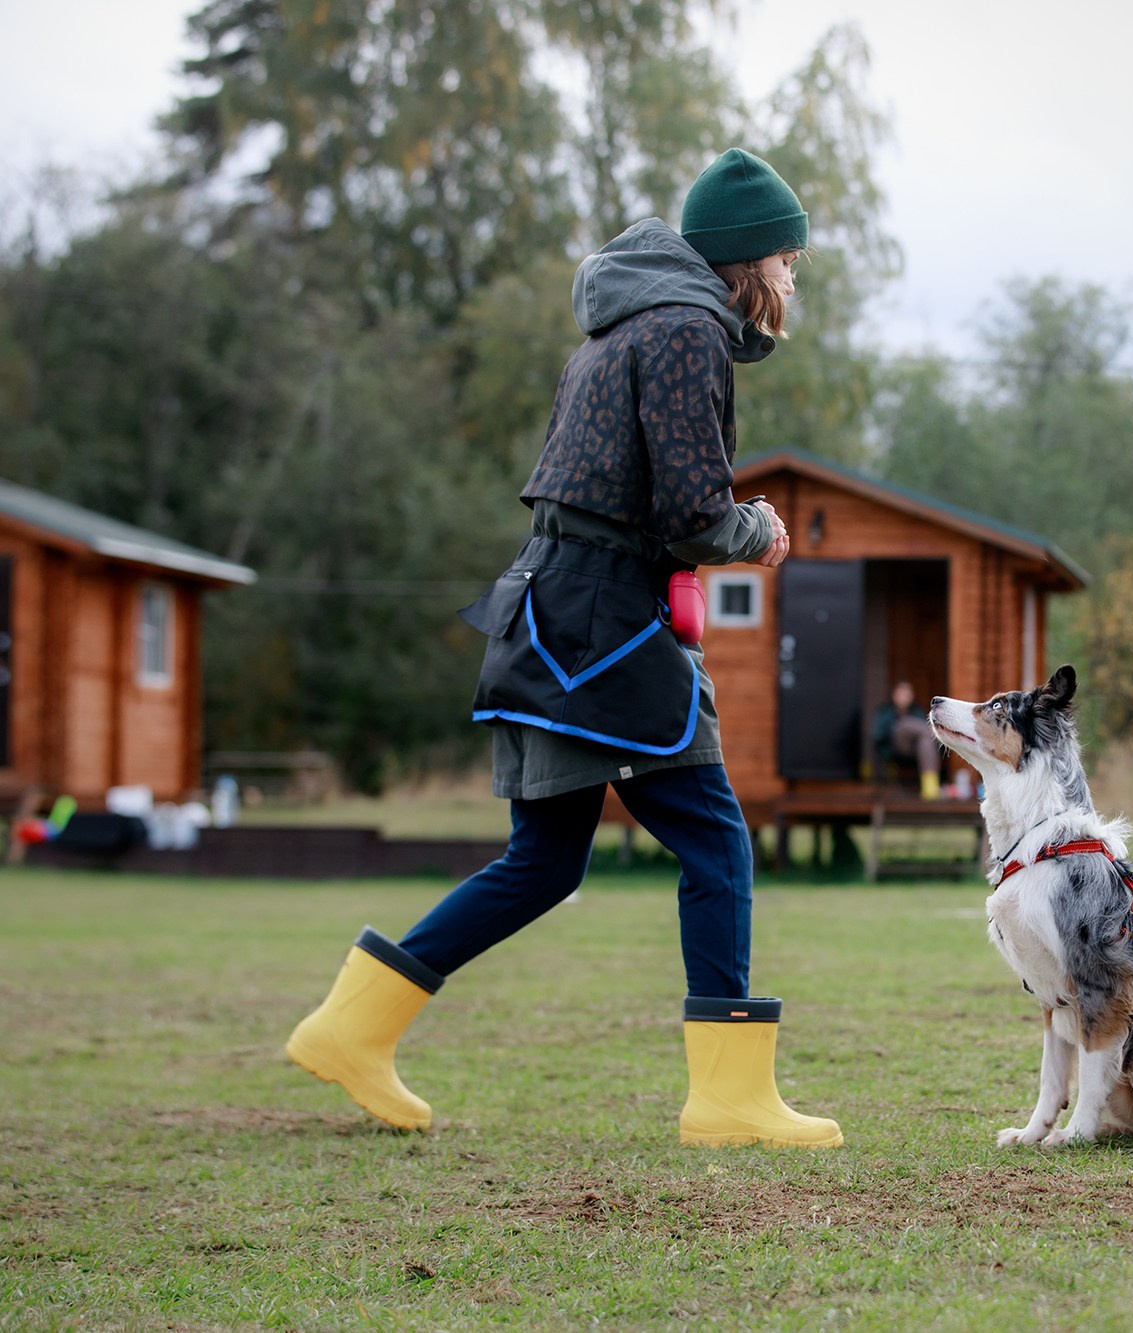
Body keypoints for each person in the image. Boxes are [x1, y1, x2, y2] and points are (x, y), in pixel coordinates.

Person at [284, 148, 841, 1149]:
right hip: (598, 624)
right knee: (714, 839)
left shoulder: (617, 329)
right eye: (787, 261)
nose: (791, 280)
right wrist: (756, 532)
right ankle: (727, 1100)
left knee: (542, 861)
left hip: (552, 603)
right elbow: (688, 509)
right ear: (748, 262)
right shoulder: (685, 330)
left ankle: (352, 1025)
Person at [872, 680, 942, 799]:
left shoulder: (917, 710)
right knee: (905, 723)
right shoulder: (885, 711)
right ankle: (938, 733)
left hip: (913, 748)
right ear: (894, 695)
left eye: (907, 693)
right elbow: (878, 735)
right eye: (901, 693)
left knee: (925, 742)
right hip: (894, 746)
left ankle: (930, 788)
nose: (904, 697)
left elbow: (923, 736)